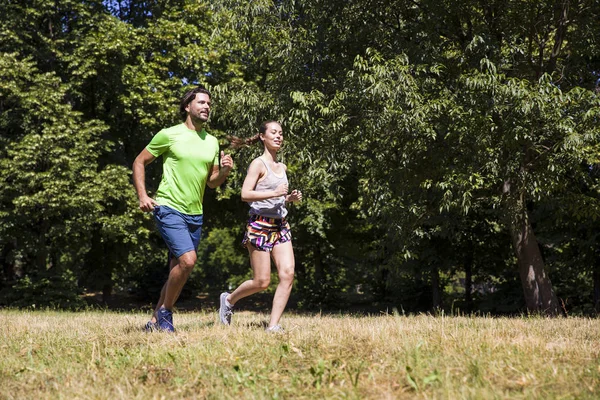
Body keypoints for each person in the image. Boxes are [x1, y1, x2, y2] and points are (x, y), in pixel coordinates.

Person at [132, 86, 233, 332]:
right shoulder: (169, 134)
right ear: (187, 106)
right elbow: (139, 161)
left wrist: (225, 171)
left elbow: (211, 182)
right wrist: (143, 195)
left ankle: (154, 323)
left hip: (195, 213)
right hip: (168, 207)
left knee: (178, 269)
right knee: (188, 261)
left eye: (209, 103)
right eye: (201, 102)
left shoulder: (211, 141)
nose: (207, 106)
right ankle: (166, 314)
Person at [219, 120, 302, 332]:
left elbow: (276, 199)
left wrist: (289, 199)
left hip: (281, 225)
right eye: (274, 132)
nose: (278, 136)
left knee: (288, 274)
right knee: (262, 281)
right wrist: (276, 193)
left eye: (281, 133)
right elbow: (245, 195)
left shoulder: (282, 167)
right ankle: (229, 300)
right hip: (259, 225)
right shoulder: (258, 164)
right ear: (262, 137)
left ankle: (273, 326)